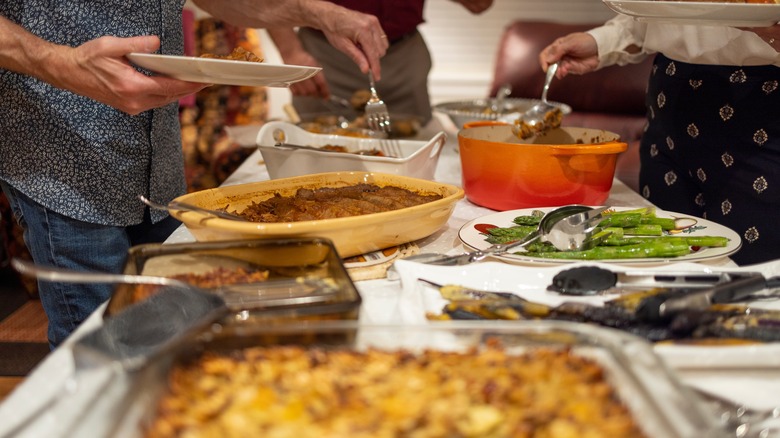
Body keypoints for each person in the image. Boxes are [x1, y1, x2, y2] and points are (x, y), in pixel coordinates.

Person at [0, 0, 389, 348]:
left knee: (170, 335)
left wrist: (317, 12)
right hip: (61, 154)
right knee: (100, 352)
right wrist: (57, 62)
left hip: (159, 162)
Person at [538, 15, 780, 266]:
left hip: (763, 110)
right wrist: (600, 41)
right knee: (662, 266)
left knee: (755, 273)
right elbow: (649, 18)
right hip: (671, 104)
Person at [267, 0, 494, 124]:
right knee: (313, 149)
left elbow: (480, 4)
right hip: (325, 55)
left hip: (403, 56)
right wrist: (292, 52)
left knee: (415, 149)